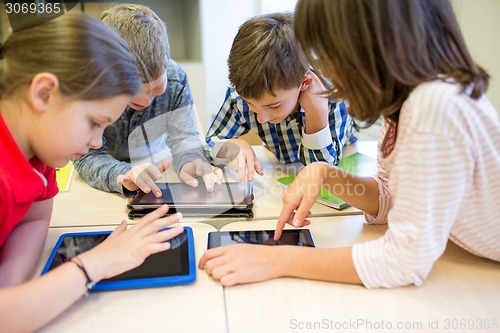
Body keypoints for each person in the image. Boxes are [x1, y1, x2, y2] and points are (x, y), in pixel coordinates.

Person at [199, 0, 500, 288]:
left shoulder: (433, 104)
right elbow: (388, 201)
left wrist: (278, 258)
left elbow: (404, 261)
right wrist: (326, 174)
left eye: (328, 52)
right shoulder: (405, 105)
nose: (326, 70)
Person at [0, 13, 184, 332]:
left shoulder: (39, 153)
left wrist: (11, 283)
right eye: (94, 122)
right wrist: (96, 264)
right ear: (44, 93)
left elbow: (34, 217)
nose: (97, 141)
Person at [73, 4, 222, 198]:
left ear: (166, 61)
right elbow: (86, 156)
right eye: (133, 91)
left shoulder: (176, 79)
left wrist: (190, 160)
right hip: (106, 185)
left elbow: (184, 137)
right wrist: (122, 173)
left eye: (157, 87)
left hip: (159, 174)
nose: (146, 101)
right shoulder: (90, 88)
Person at [205, 12, 358, 185]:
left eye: (274, 105)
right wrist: (229, 147)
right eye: (250, 104)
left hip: (346, 163)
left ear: (304, 83)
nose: (262, 118)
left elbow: (323, 171)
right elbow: (209, 144)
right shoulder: (239, 96)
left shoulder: (333, 94)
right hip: (280, 174)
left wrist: (317, 114)